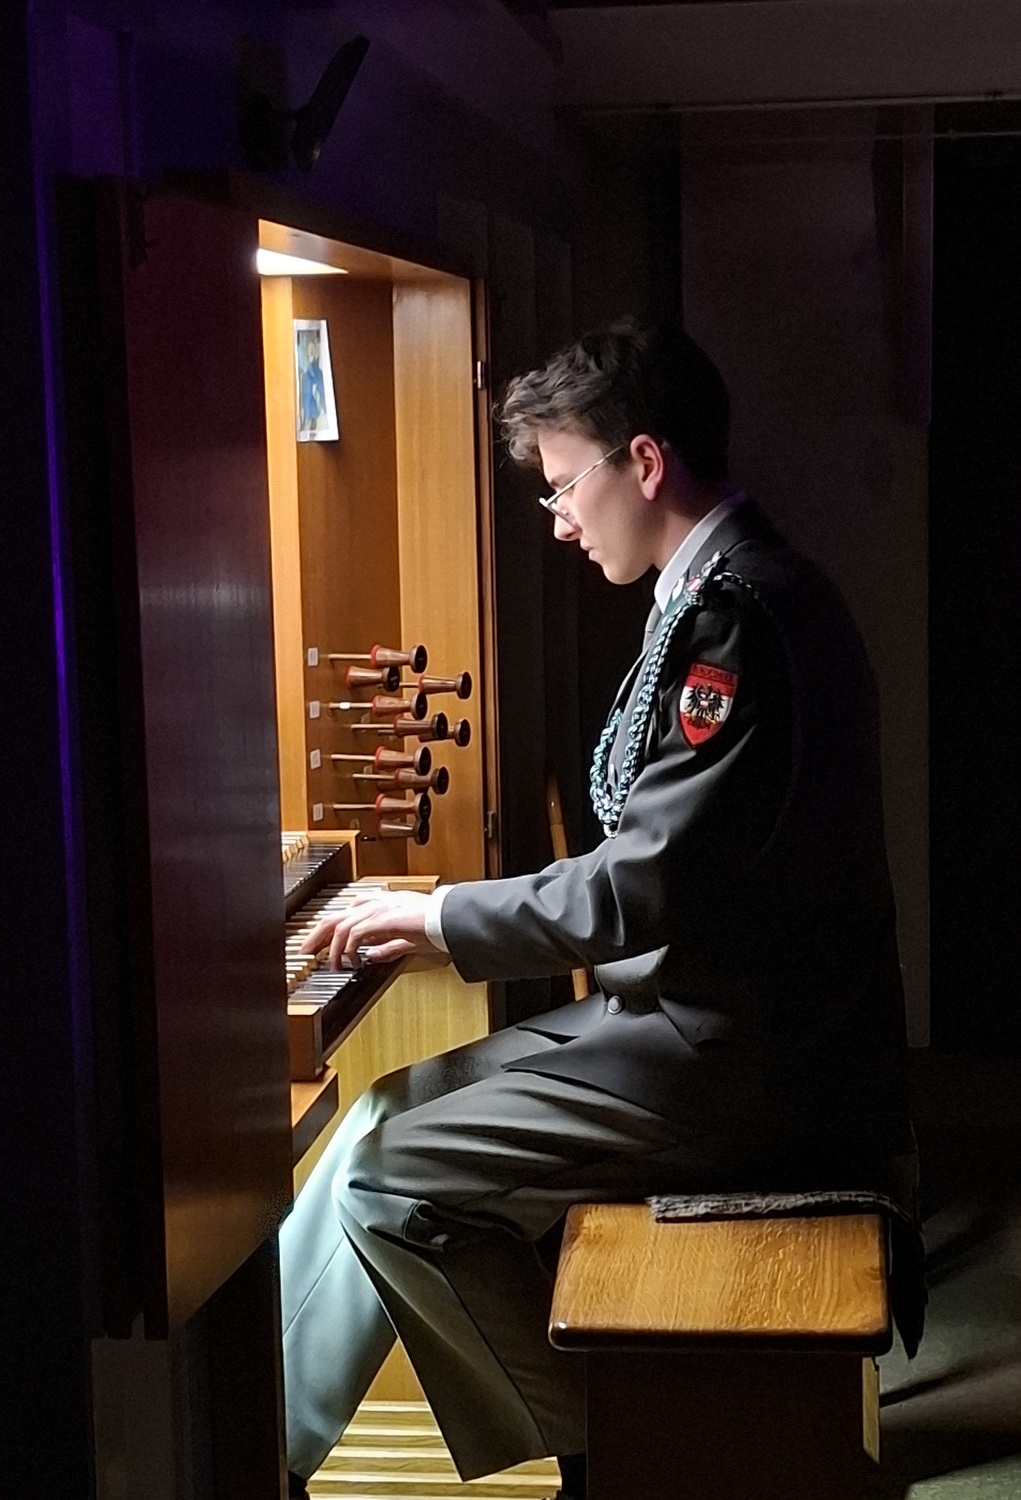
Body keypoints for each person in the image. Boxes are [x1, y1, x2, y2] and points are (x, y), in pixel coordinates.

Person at [284, 318, 912, 1498]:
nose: (562, 521)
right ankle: (270, 1449)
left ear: (646, 462)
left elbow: (643, 880)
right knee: (377, 1114)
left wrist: (438, 918)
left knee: (387, 1182)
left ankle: (616, 1451)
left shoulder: (739, 618)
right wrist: (443, 918)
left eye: (566, 486)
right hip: (689, 1018)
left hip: (750, 1061)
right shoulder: (722, 592)